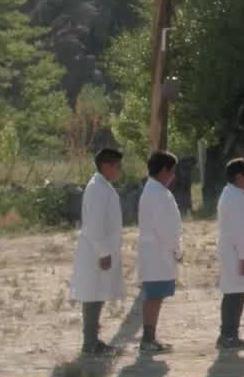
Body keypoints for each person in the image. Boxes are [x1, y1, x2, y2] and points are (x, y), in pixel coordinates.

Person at [70, 147, 126, 356]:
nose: (119, 170)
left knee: (97, 294)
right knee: (92, 295)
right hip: (95, 251)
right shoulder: (96, 188)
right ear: (106, 166)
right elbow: (94, 225)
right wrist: (103, 252)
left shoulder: (103, 186)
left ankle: (93, 340)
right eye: (117, 166)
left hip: (101, 249)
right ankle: (90, 343)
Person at [136, 150, 184, 353]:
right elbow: (165, 227)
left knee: (156, 296)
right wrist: (177, 249)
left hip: (158, 251)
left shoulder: (156, 191)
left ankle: (150, 337)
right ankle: (148, 340)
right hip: (158, 252)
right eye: (172, 171)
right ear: (164, 170)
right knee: (154, 296)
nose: (173, 176)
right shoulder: (157, 194)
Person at [216, 158, 244, 350]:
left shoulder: (233, 195)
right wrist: (243, 257)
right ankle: (228, 336)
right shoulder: (235, 199)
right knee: (234, 294)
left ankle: (229, 334)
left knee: (236, 292)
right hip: (235, 253)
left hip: (234, 251)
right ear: (239, 176)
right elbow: (240, 232)